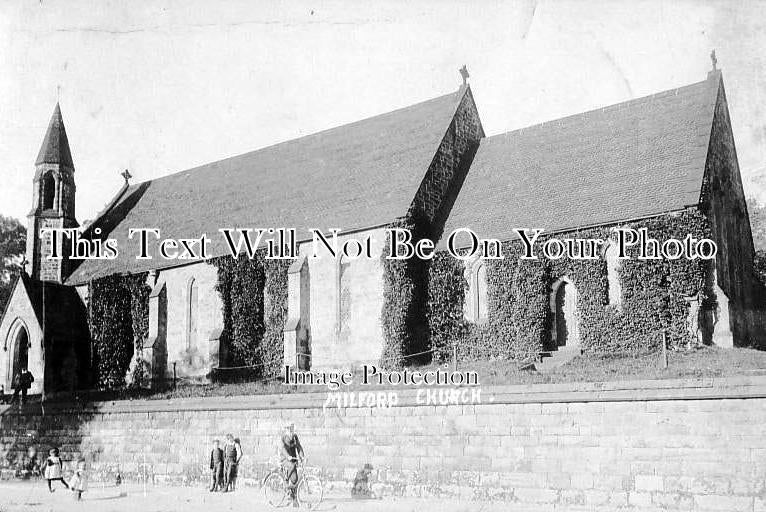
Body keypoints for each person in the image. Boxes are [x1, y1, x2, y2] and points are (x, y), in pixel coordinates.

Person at [279, 422, 304, 508]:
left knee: (295, 480)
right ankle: (286, 479)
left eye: (292, 428)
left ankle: (293, 499)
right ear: (286, 429)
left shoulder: (295, 437)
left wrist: (302, 456)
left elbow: (299, 447)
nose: (291, 430)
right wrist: (287, 456)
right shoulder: (283, 437)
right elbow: (282, 449)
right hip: (285, 459)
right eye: (289, 428)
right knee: (291, 466)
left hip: (293, 459)